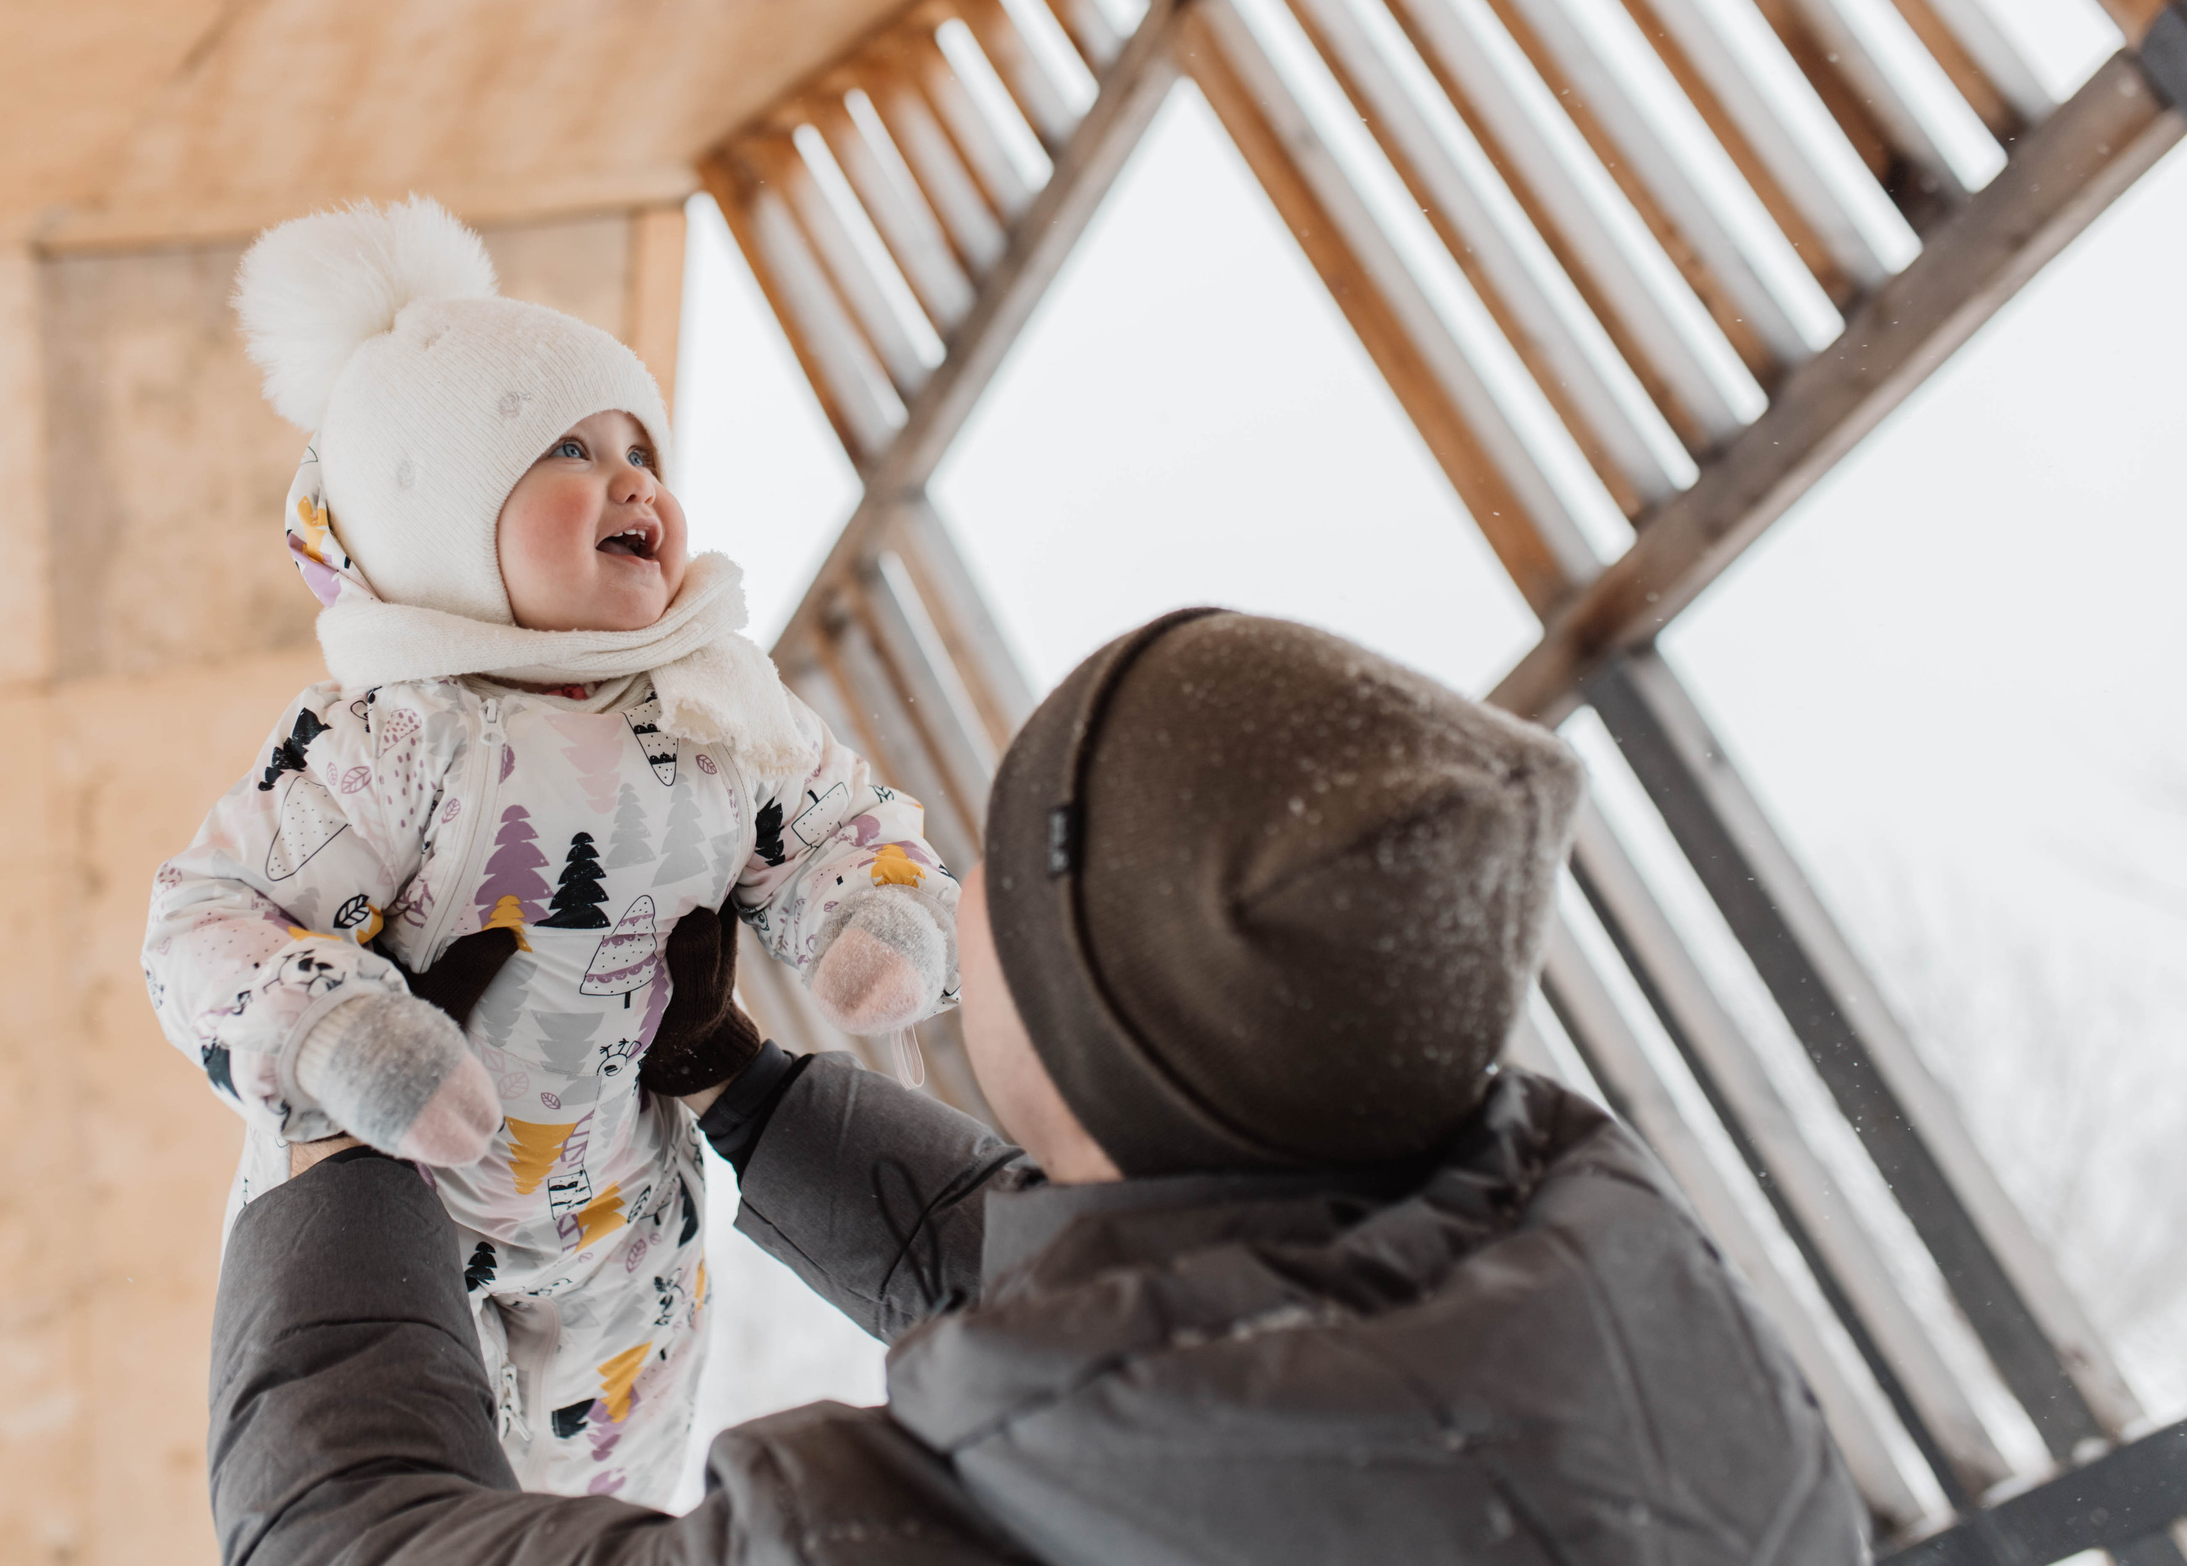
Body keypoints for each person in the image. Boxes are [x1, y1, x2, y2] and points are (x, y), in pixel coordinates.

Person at [209, 610, 1871, 1564]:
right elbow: (1134, 1326)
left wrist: (336, 1150)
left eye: (989, 892)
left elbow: (343, 1541)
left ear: (1088, 1025)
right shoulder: (1599, 1299)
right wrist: (743, 1090)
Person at [142, 196, 960, 1501]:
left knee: (612, 1508)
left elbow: (839, 817)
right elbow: (202, 924)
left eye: (645, 448)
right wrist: (340, 1029)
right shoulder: (394, 738)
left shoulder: (714, 698)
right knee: (420, 1496)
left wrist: (877, 913)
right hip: (407, 1231)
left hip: (627, 1238)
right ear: (438, 513)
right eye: (570, 448)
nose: (636, 480)